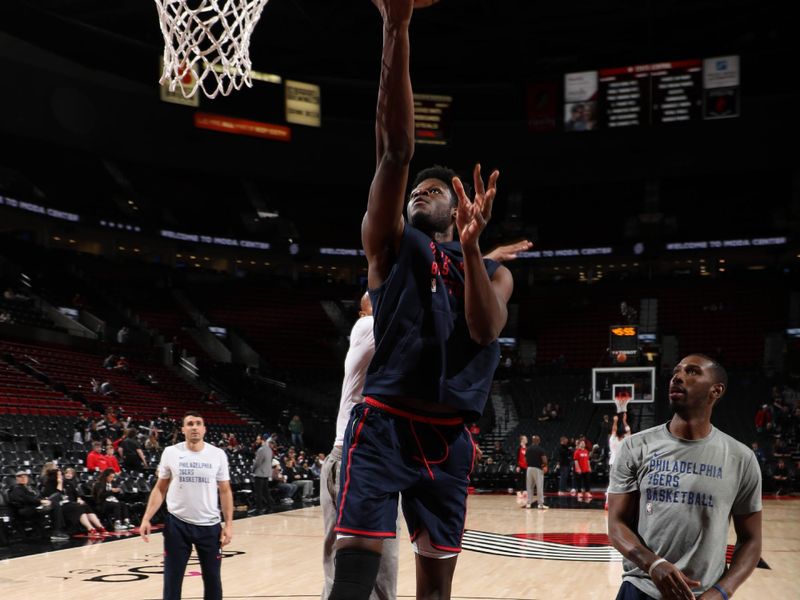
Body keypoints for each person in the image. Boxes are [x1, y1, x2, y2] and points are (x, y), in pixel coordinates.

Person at [328, 2, 513, 597]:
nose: (419, 195)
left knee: (436, 589)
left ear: (456, 209)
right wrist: (397, 27)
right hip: (383, 423)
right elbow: (394, 151)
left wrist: (474, 247)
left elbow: (485, 332)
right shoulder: (391, 246)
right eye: (417, 191)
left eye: (433, 191)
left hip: (451, 436)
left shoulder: (490, 270)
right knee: (356, 575)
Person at [608, 354, 762, 600]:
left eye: (692, 372)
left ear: (716, 391)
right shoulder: (636, 447)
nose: (677, 377)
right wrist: (653, 564)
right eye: (676, 371)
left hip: (703, 595)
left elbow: (751, 540)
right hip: (641, 589)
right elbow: (616, 524)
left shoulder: (741, 458)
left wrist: (722, 591)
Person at [140, 411, 234, 600]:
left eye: (198, 423)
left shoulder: (217, 454)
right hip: (177, 524)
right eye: (190, 424)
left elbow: (225, 490)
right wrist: (146, 518)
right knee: (172, 579)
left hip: (209, 525)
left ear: (204, 429)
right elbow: (160, 488)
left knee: (213, 579)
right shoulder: (171, 452)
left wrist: (229, 525)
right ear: (183, 429)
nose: (194, 427)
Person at [8, 470, 70, 541]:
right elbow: (25, 498)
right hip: (25, 509)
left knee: (56, 500)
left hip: (36, 506)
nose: (23, 478)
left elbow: (37, 496)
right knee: (55, 504)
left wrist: (43, 499)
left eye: (25, 477)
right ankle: (57, 531)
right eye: (21, 477)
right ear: (17, 479)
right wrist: (40, 501)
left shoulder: (30, 487)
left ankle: (58, 530)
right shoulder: (16, 488)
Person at [524, 435, 549, 509]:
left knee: (529, 487)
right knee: (539, 487)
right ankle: (540, 504)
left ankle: (529, 503)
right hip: (538, 469)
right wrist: (544, 466)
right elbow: (544, 460)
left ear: (532, 441)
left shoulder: (528, 449)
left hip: (529, 469)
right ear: (538, 441)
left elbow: (525, 459)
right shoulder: (540, 449)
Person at [253, 435, 275, 514]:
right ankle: (270, 506)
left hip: (260, 473)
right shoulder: (270, 449)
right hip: (266, 473)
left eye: (258, 439)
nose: (256, 440)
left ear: (262, 440)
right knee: (266, 492)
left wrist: (253, 469)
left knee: (258, 492)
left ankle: (259, 509)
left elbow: (257, 462)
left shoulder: (261, 449)